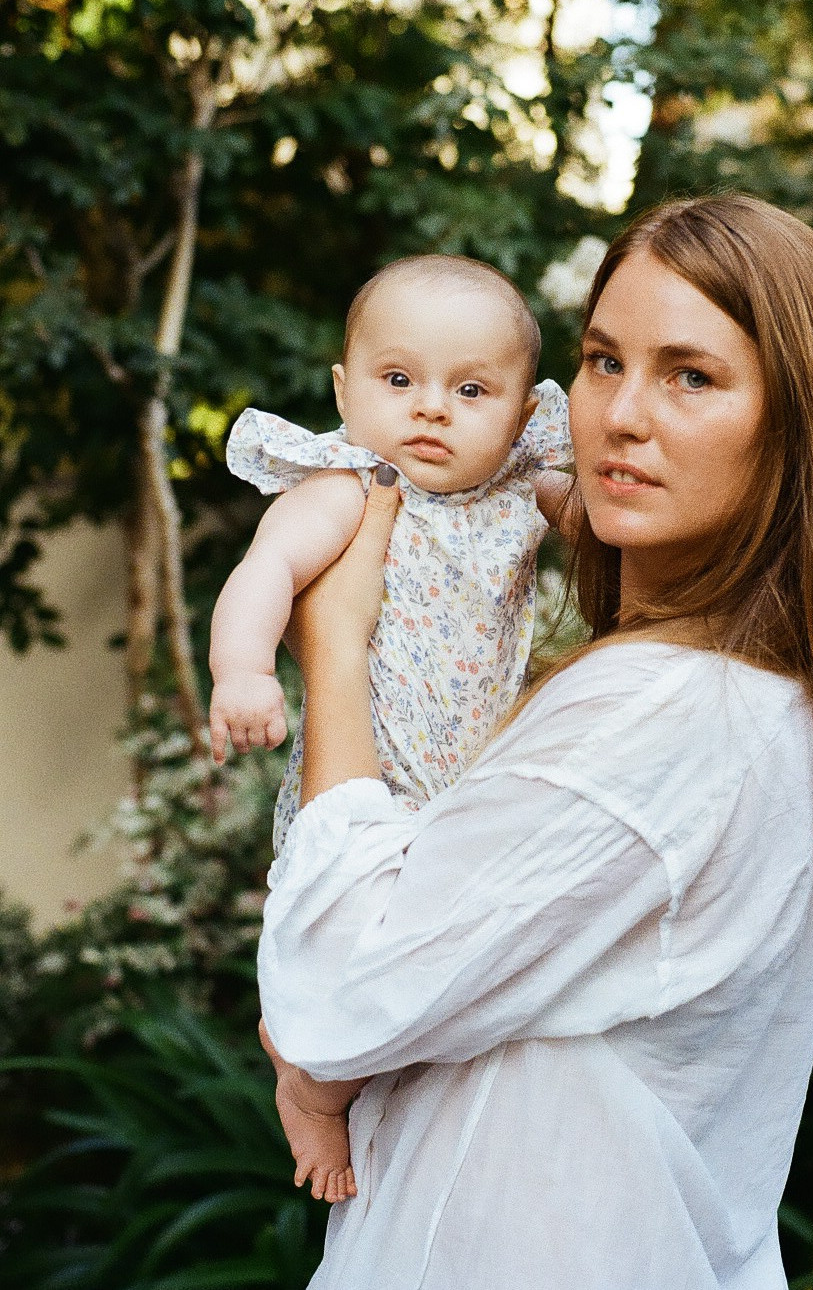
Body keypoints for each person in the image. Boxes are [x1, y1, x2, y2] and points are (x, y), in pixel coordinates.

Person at [258, 195, 813, 1290]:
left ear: (793, 424)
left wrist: (333, 648)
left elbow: (333, 997)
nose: (620, 413)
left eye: (690, 375)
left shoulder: (665, 712)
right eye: (599, 359)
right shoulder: (743, 694)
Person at [210, 256, 573, 1197]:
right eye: (398, 379)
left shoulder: (520, 493)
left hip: (470, 791)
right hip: (366, 778)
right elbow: (264, 573)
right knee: (354, 960)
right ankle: (310, 1087)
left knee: (430, 971)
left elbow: (607, 532)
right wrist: (242, 669)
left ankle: (319, 1053)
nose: (431, 410)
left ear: (524, 412)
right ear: (345, 388)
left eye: (470, 389)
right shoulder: (348, 488)